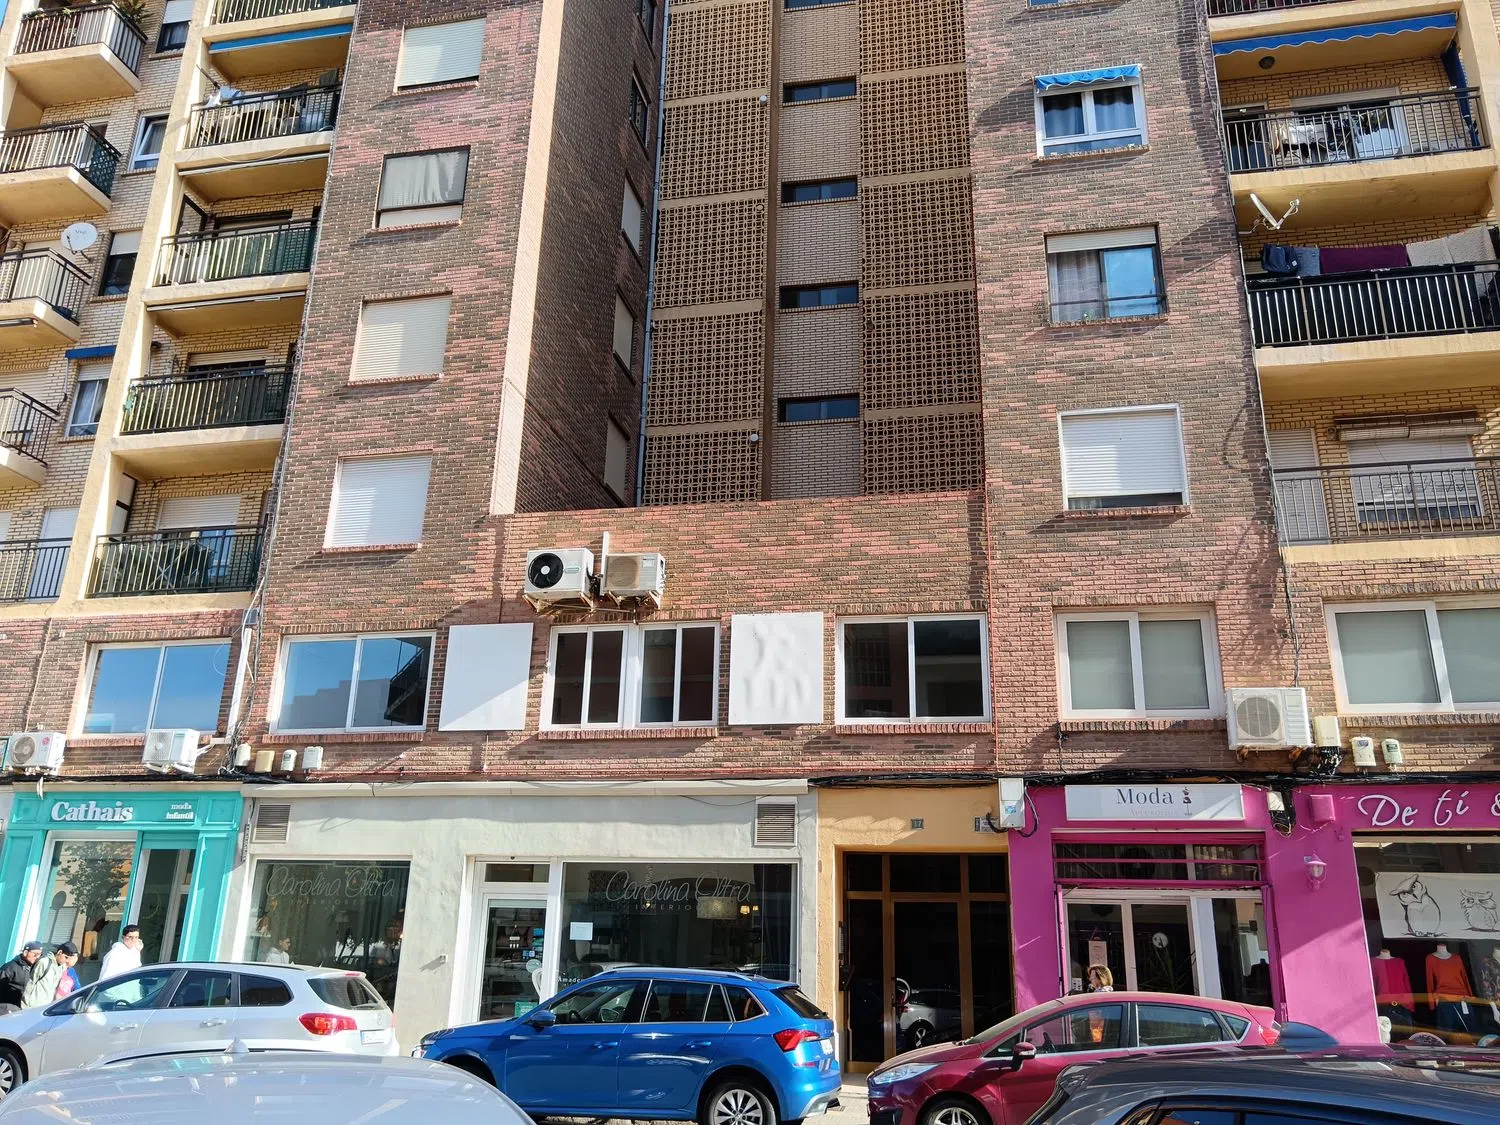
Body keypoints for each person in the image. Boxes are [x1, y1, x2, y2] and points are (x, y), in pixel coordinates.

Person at [23, 943, 74, 1009]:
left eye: (69, 959)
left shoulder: (62, 967)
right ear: (60, 952)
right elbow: (30, 982)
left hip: (45, 1008)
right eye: (66, 957)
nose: (66, 961)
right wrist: (25, 1005)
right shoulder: (44, 962)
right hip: (32, 1006)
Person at [0, 942, 43, 1013]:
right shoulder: (10, 967)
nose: (38, 957)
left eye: (40, 954)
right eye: (35, 954)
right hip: (6, 1008)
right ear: (25, 953)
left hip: (23, 1009)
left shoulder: (35, 969)